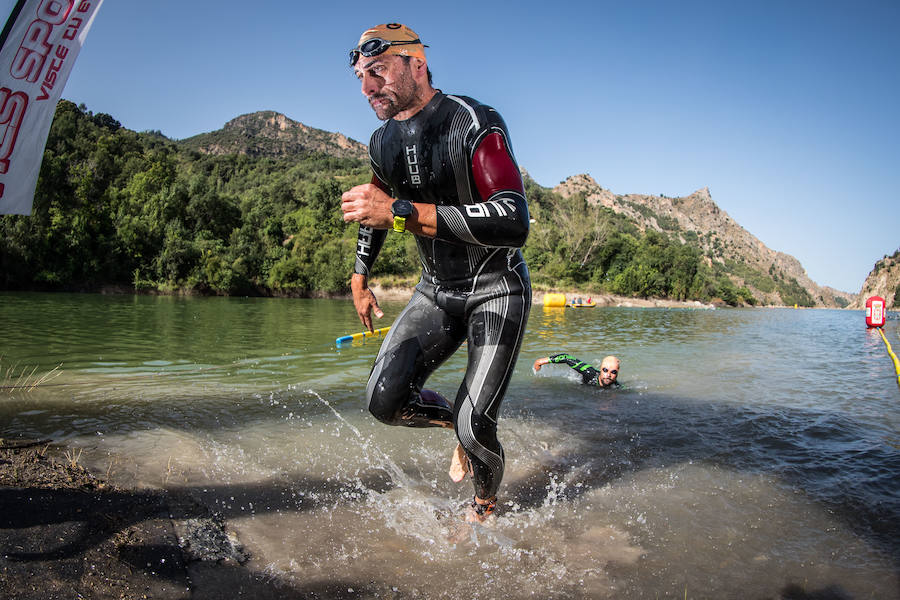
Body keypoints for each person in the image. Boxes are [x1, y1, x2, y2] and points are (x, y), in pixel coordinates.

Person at [341, 24, 531, 523]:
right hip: (436, 291)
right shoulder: (381, 142)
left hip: (496, 289)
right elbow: (376, 209)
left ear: (416, 64)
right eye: (361, 77)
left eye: (377, 72)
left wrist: (401, 213)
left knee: (477, 423)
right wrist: (360, 276)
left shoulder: (473, 121)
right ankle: (460, 430)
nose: (367, 89)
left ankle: (484, 508)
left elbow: (513, 220)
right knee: (384, 402)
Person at [532, 354, 621, 387]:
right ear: (601, 369)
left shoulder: (616, 386)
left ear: (617, 374)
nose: (608, 375)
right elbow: (567, 358)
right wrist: (540, 361)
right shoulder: (589, 372)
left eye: (613, 372)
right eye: (605, 370)